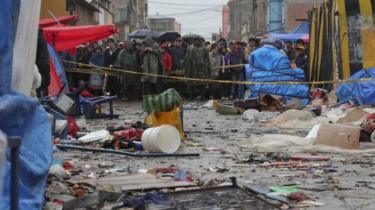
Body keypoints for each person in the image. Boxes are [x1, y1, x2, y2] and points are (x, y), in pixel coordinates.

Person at [35, 28, 50, 98]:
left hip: (39, 63)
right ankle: (45, 97)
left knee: (40, 84)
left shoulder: (37, 39)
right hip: (45, 63)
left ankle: (41, 98)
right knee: (45, 84)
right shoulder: (43, 39)